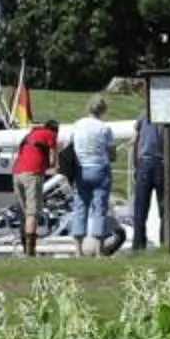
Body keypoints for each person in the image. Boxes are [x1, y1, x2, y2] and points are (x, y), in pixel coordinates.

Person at [68, 97, 119, 258]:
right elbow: (112, 154)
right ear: (103, 110)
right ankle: (99, 249)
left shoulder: (77, 125)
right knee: (100, 208)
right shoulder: (104, 128)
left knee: (80, 207)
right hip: (100, 169)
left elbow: (69, 145)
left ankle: (78, 250)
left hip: (81, 169)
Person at [11, 118, 58, 257]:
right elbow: (53, 160)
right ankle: (30, 252)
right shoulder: (51, 135)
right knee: (32, 213)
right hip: (32, 174)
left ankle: (25, 247)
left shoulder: (30, 134)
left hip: (17, 173)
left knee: (24, 212)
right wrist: (48, 166)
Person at [126, 112, 170, 253]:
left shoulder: (142, 116)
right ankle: (166, 244)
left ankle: (138, 245)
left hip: (144, 163)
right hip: (162, 163)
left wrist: (135, 165)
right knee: (165, 208)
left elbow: (135, 140)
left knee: (140, 208)